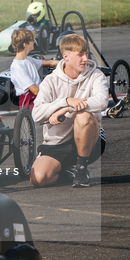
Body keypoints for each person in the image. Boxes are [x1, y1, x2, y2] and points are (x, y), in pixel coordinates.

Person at [30, 34, 110, 188]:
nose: (85, 59)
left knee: (83, 116)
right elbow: (36, 114)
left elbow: (102, 101)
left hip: (91, 139)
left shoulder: (96, 75)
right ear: (65, 56)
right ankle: (68, 173)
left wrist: (66, 109)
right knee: (38, 179)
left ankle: (81, 169)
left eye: (86, 54)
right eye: (80, 55)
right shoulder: (50, 81)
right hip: (58, 142)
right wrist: (65, 102)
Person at [9, 28, 59, 110]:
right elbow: (35, 90)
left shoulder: (28, 60)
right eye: (32, 40)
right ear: (25, 44)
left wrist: (66, 62)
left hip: (37, 96)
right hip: (29, 99)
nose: (34, 42)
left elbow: (49, 63)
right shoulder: (17, 66)